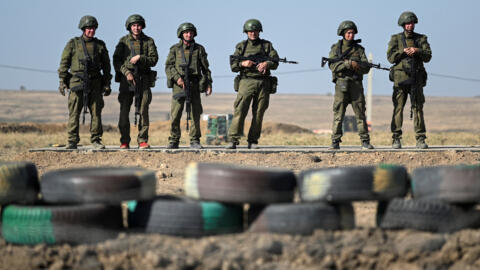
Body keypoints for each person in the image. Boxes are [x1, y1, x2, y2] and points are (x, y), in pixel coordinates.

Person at [58, 15, 112, 150]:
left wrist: (106, 84)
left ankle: (96, 140)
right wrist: (62, 81)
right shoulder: (73, 43)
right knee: (74, 113)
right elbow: (64, 63)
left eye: (93, 28)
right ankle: (72, 140)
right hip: (77, 82)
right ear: (83, 29)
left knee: (96, 113)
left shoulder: (100, 45)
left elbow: (106, 66)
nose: (91, 31)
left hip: (95, 83)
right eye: (88, 28)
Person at [226, 19, 279, 149]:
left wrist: (267, 64)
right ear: (246, 32)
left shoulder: (267, 46)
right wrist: (243, 64)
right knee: (240, 110)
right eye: (250, 31)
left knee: (259, 113)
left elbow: (275, 61)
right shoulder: (241, 46)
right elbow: (233, 65)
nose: (253, 33)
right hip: (246, 81)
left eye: (255, 31)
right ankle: (233, 139)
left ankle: (253, 140)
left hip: (263, 82)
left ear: (259, 31)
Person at [113, 14, 158, 149]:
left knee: (143, 110)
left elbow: (154, 59)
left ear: (142, 26)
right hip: (126, 81)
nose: (136, 28)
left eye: (138, 25)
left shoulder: (149, 41)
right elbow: (116, 60)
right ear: (129, 27)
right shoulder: (123, 41)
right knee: (124, 111)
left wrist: (141, 57)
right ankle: (124, 141)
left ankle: (142, 140)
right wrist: (126, 72)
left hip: (143, 80)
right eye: (133, 25)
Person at [387, 11, 432, 149]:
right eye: (407, 23)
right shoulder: (396, 39)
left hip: (416, 79)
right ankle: (396, 138)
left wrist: (417, 50)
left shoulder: (421, 39)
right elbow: (390, 57)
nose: (410, 25)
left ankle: (420, 138)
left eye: (411, 23)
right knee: (398, 109)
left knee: (418, 109)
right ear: (403, 24)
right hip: (400, 80)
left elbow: (428, 56)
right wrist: (403, 51)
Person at [165, 22, 213, 149]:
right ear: (181, 34)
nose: (188, 34)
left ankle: (195, 140)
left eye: (191, 32)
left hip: (194, 84)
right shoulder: (174, 49)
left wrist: (209, 84)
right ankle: (174, 140)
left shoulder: (199, 49)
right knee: (175, 114)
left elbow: (205, 69)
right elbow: (168, 66)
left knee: (195, 114)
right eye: (186, 32)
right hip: (179, 85)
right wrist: (178, 79)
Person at [327, 20, 373, 150]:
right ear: (342, 33)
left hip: (356, 85)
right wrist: (347, 64)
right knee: (338, 114)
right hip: (341, 84)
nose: (350, 35)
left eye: (352, 33)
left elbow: (366, 68)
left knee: (360, 114)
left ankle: (365, 141)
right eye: (348, 33)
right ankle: (335, 141)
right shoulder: (336, 48)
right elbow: (332, 65)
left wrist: (357, 66)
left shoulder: (359, 49)